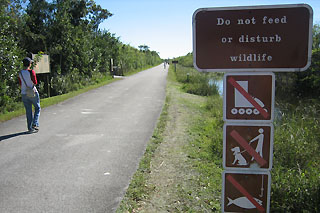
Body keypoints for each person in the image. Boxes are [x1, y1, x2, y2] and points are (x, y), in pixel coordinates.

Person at [18, 57, 41, 133]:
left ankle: (30, 128)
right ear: (29, 64)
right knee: (37, 108)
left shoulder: (20, 73)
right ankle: (35, 123)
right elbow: (35, 82)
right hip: (32, 92)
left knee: (28, 111)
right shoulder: (31, 72)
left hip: (24, 93)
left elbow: (20, 83)